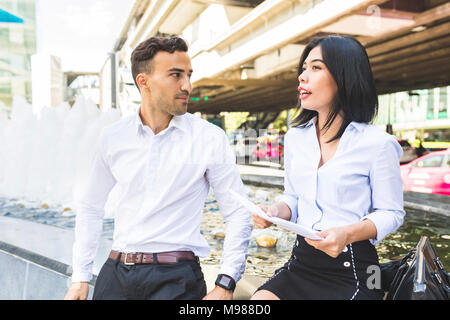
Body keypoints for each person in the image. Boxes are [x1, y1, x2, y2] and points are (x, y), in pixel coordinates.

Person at [64, 36, 252, 300]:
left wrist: (226, 282)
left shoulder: (209, 138)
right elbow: (91, 207)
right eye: (175, 75)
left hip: (177, 278)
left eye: (188, 75)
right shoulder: (112, 137)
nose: (187, 85)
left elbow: (238, 212)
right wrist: (80, 277)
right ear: (144, 82)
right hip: (116, 275)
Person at [251, 35, 405, 300]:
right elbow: (293, 198)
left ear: (343, 76)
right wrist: (275, 211)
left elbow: (391, 213)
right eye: (303, 68)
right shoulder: (295, 137)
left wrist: (347, 233)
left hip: (355, 269)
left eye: (315, 67)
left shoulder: (379, 144)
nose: (302, 76)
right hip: (301, 264)